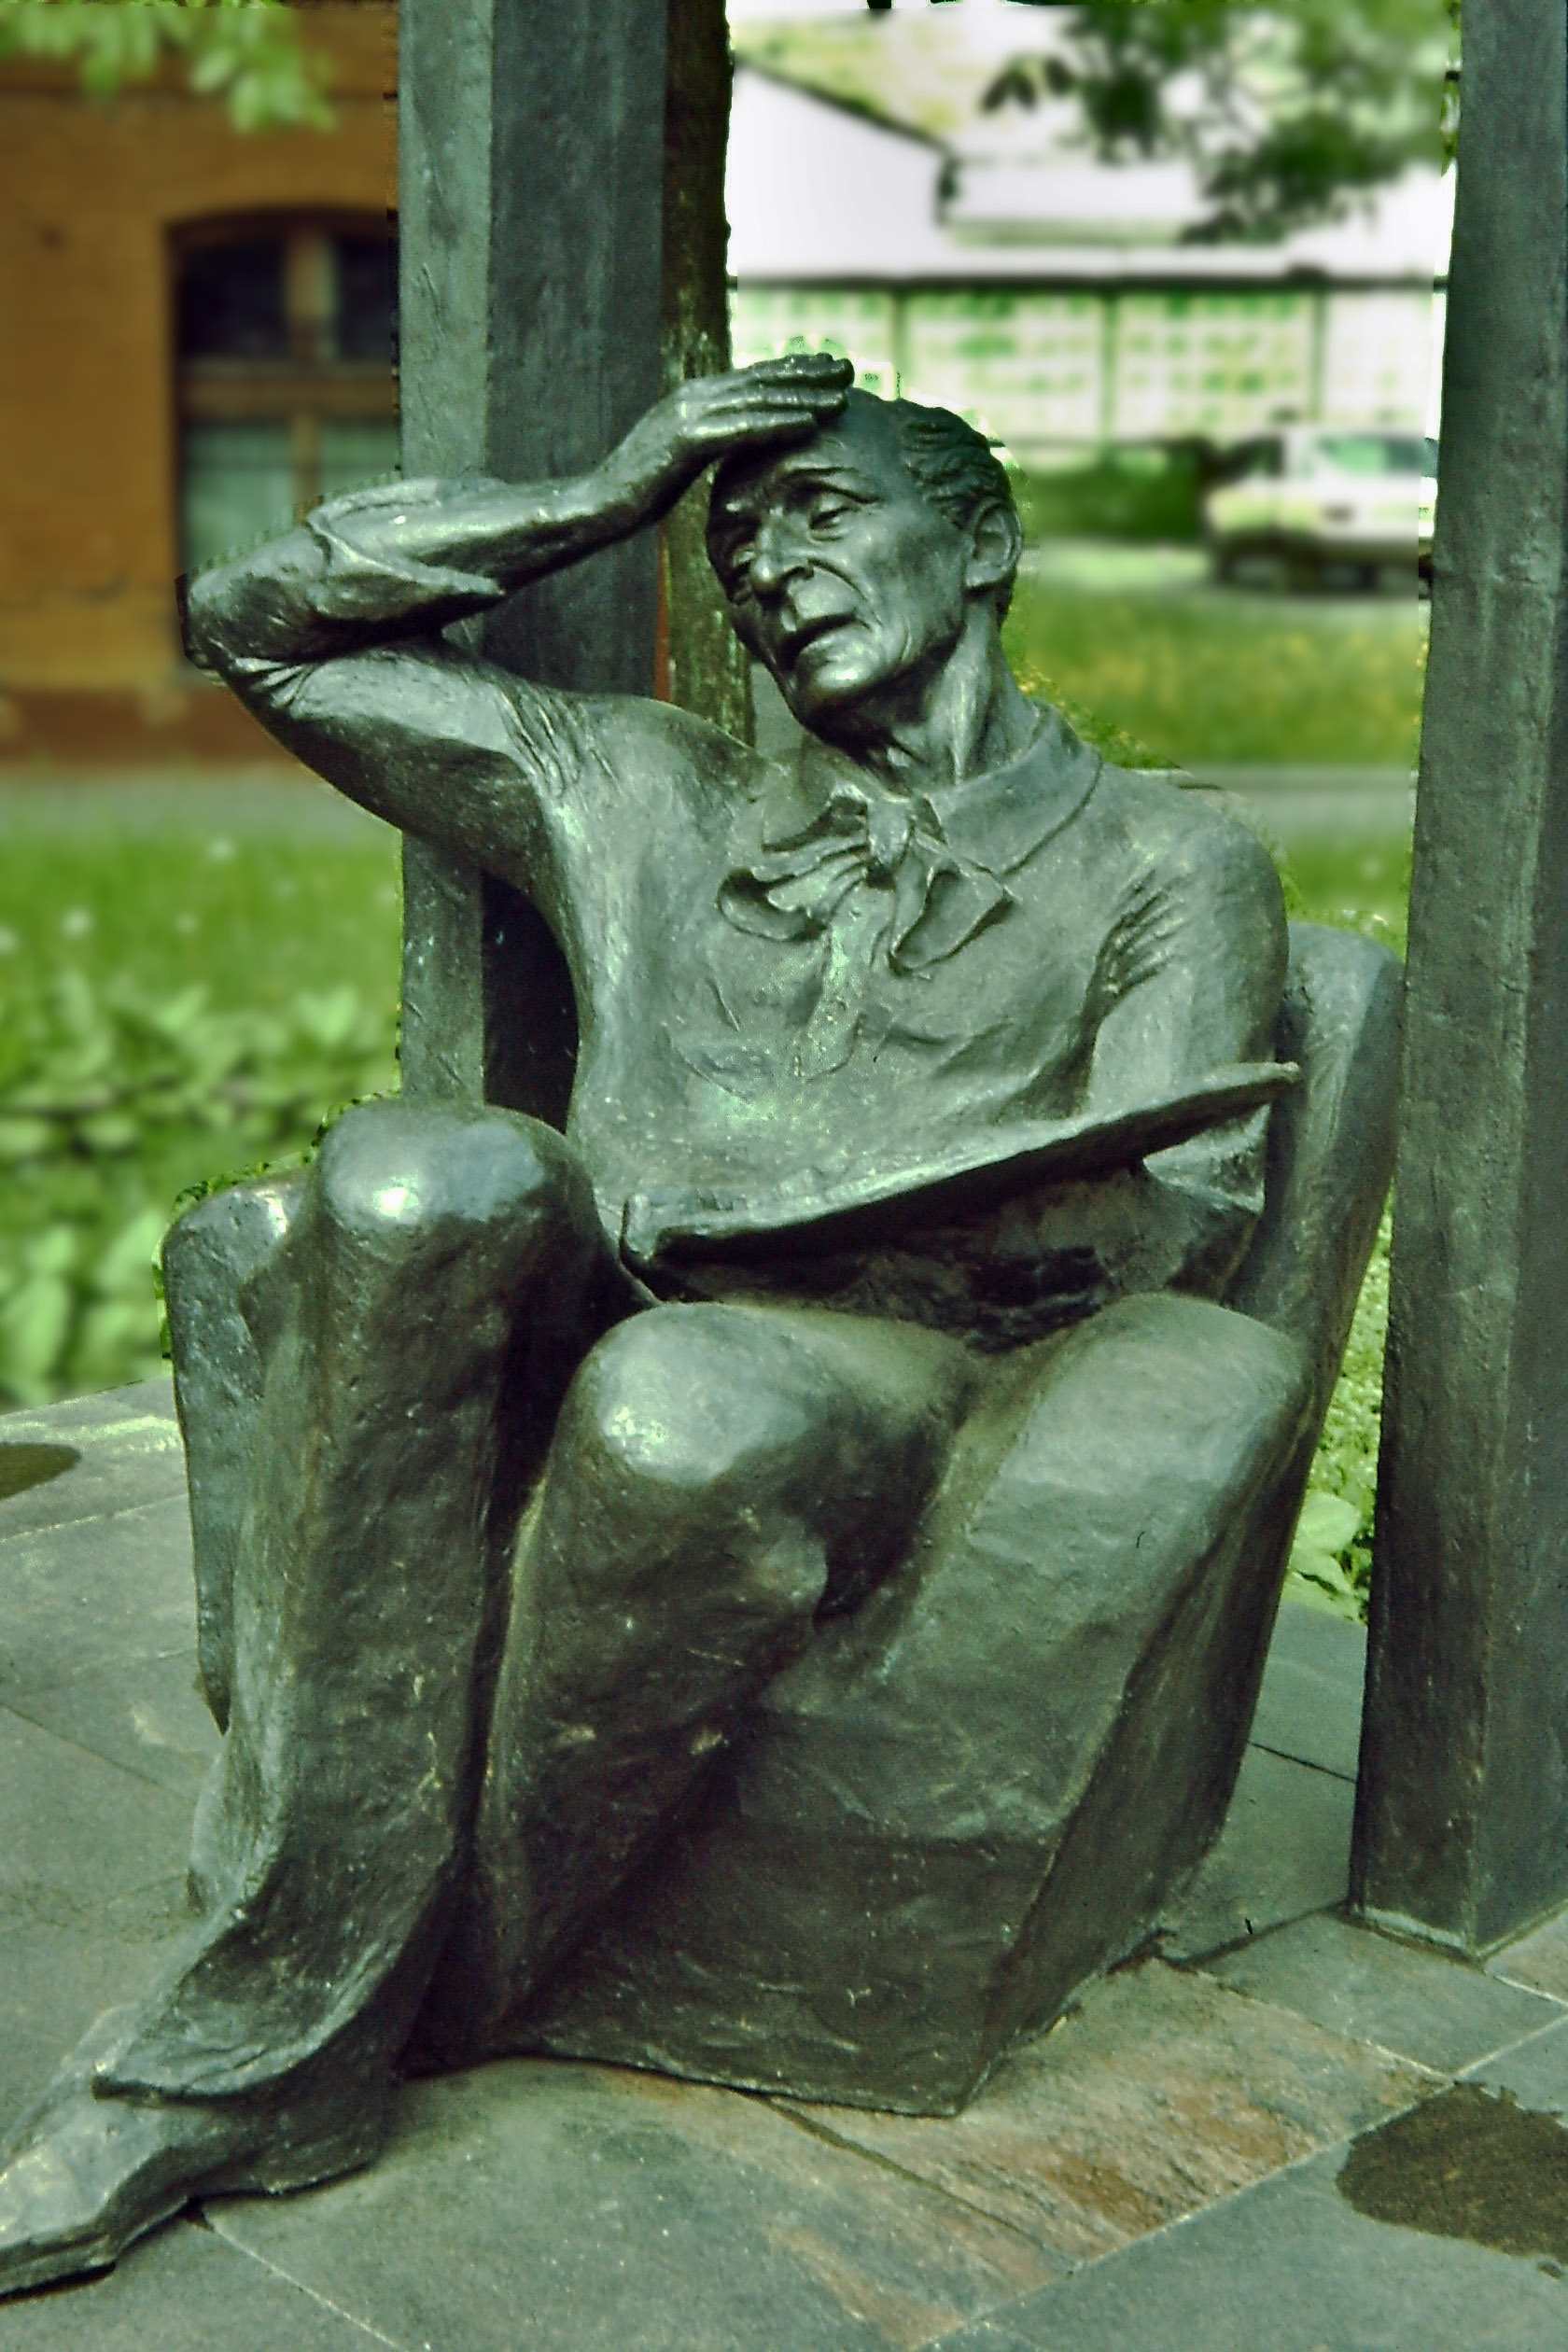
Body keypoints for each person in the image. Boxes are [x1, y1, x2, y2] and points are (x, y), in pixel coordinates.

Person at [0, 357, 1302, 2296]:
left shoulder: (1163, 866)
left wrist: (904, 1231)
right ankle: (295, 1996)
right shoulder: (641, 787)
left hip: (883, 1353)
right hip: (607, 1273)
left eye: (823, 515)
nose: (770, 571)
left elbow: (1178, 1210)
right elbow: (258, 627)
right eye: (738, 548)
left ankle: (327, 2014)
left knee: (684, 1407)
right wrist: (603, 490)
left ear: (982, 545)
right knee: (417, 1178)